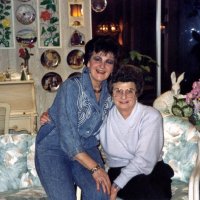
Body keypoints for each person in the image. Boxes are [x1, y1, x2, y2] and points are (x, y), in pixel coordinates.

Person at [35, 35, 120, 200]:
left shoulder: (111, 94)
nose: (102, 66)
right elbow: (68, 137)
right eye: (97, 59)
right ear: (88, 62)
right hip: (54, 148)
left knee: (100, 193)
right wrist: (96, 169)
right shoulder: (72, 87)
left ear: (113, 67)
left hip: (86, 146)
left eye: (109, 61)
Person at [99, 64, 174, 200]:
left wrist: (116, 185)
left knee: (155, 195)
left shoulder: (150, 116)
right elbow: (81, 131)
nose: (123, 96)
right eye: (118, 90)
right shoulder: (104, 116)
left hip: (152, 169)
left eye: (129, 90)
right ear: (111, 93)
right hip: (118, 170)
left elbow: (144, 160)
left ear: (137, 92)